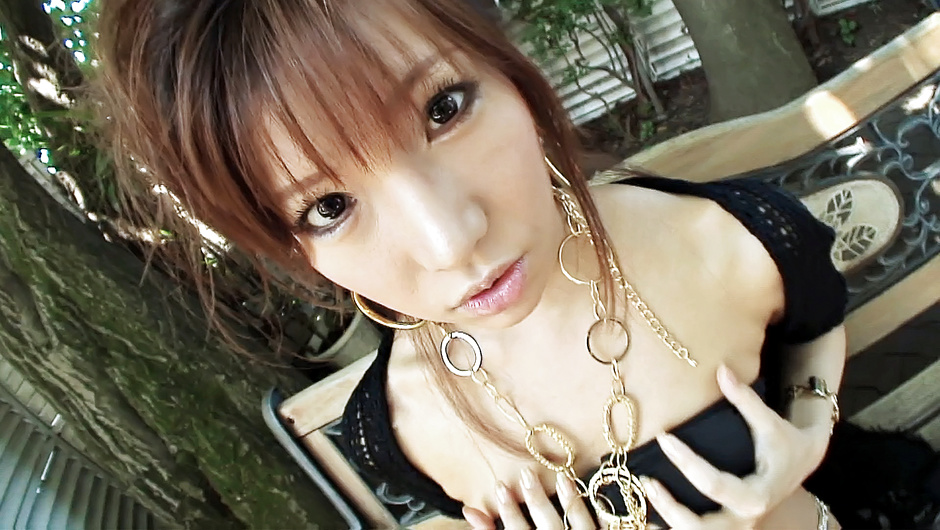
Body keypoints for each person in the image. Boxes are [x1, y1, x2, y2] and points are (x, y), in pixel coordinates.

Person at [97, 0, 852, 528]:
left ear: (508, 70)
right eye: (327, 207)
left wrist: (810, 426)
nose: (450, 243)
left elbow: (817, 324)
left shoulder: (726, 242)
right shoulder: (406, 432)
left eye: (444, 108)